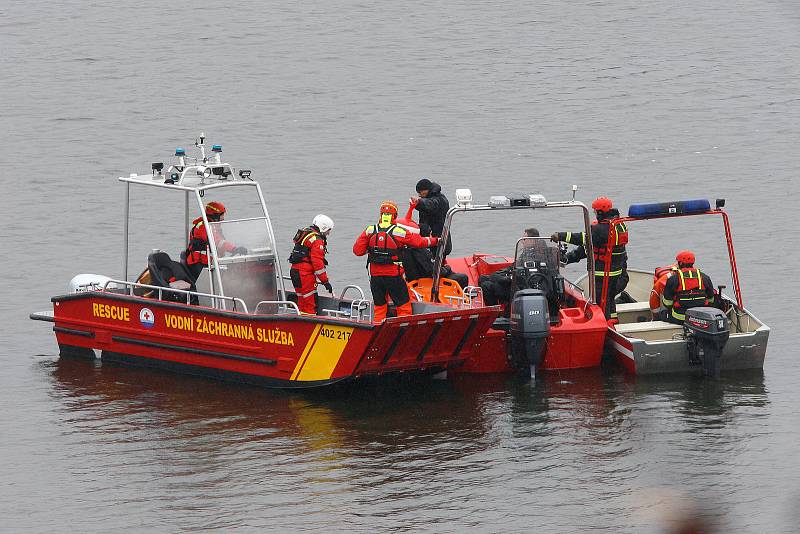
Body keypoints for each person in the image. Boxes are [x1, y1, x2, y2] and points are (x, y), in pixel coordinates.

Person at [353, 201, 439, 322]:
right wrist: (436, 241)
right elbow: (419, 242)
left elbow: (357, 251)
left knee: (379, 308)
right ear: (395, 216)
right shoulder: (399, 231)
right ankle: (403, 333)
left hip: (376, 278)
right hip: (394, 276)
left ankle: (378, 331)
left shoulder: (370, 230)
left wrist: (373, 248)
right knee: (403, 307)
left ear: (381, 214)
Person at [550, 197, 628, 323]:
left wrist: (561, 236)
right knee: (609, 299)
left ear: (601, 212)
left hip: (603, 274)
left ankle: (606, 324)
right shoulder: (619, 226)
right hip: (618, 274)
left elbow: (583, 239)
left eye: (595, 212)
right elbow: (589, 248)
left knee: (602, 301)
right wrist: (568, 259)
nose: (595, 214)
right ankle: (613, 321)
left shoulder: (600, 230)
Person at [184, 201, 247, 281]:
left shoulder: (213, 226)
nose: (223, 218)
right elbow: (217, 241)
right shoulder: (203, 226)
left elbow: (220, 241)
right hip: (199, 263)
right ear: (216, 215)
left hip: (210, 262)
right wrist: (234, 249)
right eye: (222, 215)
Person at [478, 228, 541, 307]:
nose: (522, 242)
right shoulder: (528, 252)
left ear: (532, 240)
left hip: (521, 288)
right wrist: (500, 274)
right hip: (516, 281)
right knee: (483, 278)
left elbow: (524, 275)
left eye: (524, 239)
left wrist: (505, 278)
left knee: (486, 285)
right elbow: (514, 267)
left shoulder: (536, 255)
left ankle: (496, 314)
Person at [288, 214, 334, 315]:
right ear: (324, 227)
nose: (328, 233)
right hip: (305, 275)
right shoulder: (317, 240)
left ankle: (299, 324)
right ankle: (309, 324)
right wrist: (325, 282)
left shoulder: (306, 234)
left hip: (295, 271)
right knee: (310, 303)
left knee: (301, 300)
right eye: (328, 230)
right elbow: (318, 264)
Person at [399, 223, 469, 288]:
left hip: (418, 280)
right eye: (430, 234)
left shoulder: (407, 250)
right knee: (463, 277)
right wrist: (447, 269)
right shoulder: (422, 251)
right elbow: (433, 271)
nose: (431, 236)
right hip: (428, 282)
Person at [661, 250, 715, 324]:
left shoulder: (673, 279)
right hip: (702, 318)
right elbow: (711, 300)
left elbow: (667, 303)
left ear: (680, 263)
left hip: (680, 318)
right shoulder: (705, 277)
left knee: (661, 313)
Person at [411, 178, 451, 256]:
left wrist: (419, 202)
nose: (419, 195)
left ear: (426, 190)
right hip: (429, 237)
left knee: (437, 257)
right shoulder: (428, 198)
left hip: (438, 237)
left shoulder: (439, 199)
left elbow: (430, 205)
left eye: (420, 192)